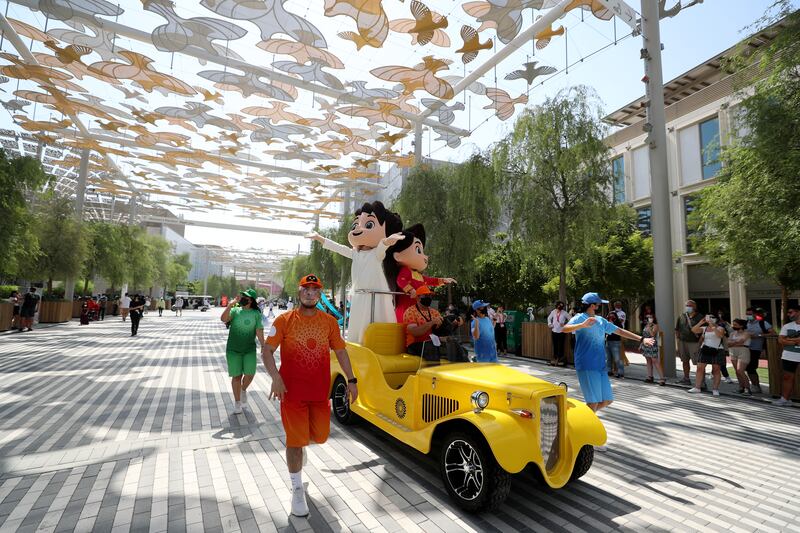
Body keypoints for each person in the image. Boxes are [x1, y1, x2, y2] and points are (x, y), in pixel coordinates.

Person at [261, 274, 358, 518]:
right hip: (291, 393)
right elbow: (267, 351)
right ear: (299, 290)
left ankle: (300, 445)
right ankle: (296, 488)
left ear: (320, 294)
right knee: (294, 442)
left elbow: (342, 352)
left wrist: (352, 380)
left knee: (321, 436)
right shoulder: (284, 320)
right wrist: (276, 377)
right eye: (307, 288)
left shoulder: (329, 323)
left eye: (315, 290)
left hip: (319, 392)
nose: (310, 293)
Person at [563, 293, 654, 433]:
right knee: (593, 402)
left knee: (606, 400)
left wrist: (641, 339)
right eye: (598, 304)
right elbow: (564, 329)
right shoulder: (579, 318)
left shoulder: (600, 320)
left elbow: (619, 330)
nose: (600, 306)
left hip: (600, 365)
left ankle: (579, 418)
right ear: (592, 305)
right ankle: (588, 435)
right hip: (587, 364)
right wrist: (582, 325)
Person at [222, 288, 264, 414]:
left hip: (249, 349)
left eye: (246, 297)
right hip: (233, 349)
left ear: (251, 300)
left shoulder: (256, 314)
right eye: (242, 296)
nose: (243, 298)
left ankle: (243, 389)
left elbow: (259, 330)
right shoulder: (235, 310)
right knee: (236, 376)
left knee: (250, 374)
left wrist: (264, 345)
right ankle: (237, 402)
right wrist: (230, 304)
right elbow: (224, 319)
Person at [403, 286, 446, 361]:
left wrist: (454, 324)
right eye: (426, 296)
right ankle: (433, 372)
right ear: (418, 298)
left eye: (430, 296)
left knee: (454, 346)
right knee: (430, 347)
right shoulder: (410, 312)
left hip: (433, 343)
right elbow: (415, 332)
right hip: (415, 345)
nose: (429, 298)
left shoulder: (434, 312)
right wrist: (431, 323)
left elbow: (441, 330)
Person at [688, 314, 726, 396]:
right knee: (699, 368)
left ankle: (715, 389)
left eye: (713, 317)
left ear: (716, 319)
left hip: (717, 350)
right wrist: (700, 322)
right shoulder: (704, 328)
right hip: (705, 350)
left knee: (716, 370)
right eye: (709, 317)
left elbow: (720, 335)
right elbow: (693, 330)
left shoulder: (720, 328)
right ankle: (697, 387)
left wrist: (712, 326)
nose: (711, 319)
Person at [774, 305, 800, 406]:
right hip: (789, 355)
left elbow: (784, 339)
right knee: (787, 377)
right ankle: (784, 399)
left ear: (798, 312)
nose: (788, 314)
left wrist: (788, 339)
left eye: (791, 312)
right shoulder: (787, 326)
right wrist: (796, 342)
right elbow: (780, 340)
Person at [745, 307, 774, 394]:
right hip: (746, 348)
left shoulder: (763, 323)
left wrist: (759, 335)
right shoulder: (746, 323)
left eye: (750, 314)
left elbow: (773, 333)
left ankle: (756, 386)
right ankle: (754, 385)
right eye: (747, 314)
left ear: (755, 314)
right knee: (748, 368)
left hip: (757, 349)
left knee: (751, 367)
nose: (748, 316)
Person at [674, 299, 703, 385]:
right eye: (687, 305)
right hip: (683, 342)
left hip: (695, 343)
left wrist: (700, 343)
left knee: (699, 363)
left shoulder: (700, 317)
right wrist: (678, 341)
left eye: (689, 306)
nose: (687, 307)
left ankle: (701, 382)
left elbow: (704, 332)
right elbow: (677, 329)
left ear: (694, 307)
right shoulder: (682, 316)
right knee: (684, 361)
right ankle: (686, 378)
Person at [727, 319, 752, 395]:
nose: (733, 326)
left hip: (743, 352)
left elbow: (741, 341)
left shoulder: (746, 333)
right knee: (737, 371)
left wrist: (733, 343)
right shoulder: (732, 333)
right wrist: (736, 343)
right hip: (732, 352)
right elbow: (728, 343)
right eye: (733, 324)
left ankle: (748, 389)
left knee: (740, 370)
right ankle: (741, 387)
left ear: (741, 325)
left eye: (735, 325)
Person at [641, 313, 665, 385]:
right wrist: (641, 344)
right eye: (648, 317)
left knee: (655, 361)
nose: (649, 318)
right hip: (645, 345)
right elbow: (643, 336)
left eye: (651, 317)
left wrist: (649, 328)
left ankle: (662, 378)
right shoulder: (645, 325)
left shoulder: (655, 326)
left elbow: (652, 335)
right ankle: (650, 376)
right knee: (648, 360)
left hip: (652, 345)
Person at [547, 301, 571, 366]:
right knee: (555, 345)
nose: (559, 309)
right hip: (554, 331)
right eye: (558, 307)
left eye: (560, 307)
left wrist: (565, 324)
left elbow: (571, 319)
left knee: (561, 346)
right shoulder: (553, 312)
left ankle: (560, 359)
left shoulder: (564, 313)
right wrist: (549, 324)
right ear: (556, 306)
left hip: (562, 332)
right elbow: (549, 318)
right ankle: (555, 359)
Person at [715, 310, 735, 384]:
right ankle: (713, 373)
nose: (720, 315)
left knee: (721, 362)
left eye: (721, 314)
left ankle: (727, 377)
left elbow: (731, 332)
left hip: (722, 346)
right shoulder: (714, 324)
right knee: (715, 361)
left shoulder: (726, 324)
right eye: (719, 314)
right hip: (714, 345)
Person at [605, 312, 624, 379]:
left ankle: (620, 373)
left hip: (615, 342)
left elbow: (621, 330)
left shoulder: (618, 323)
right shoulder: (607, 322)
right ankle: (609, 371)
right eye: (609, 316)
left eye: (612, 317)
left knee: (617, 358)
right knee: (608, 358)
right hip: (608, 341)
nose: (611, 318)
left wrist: (613, 323)